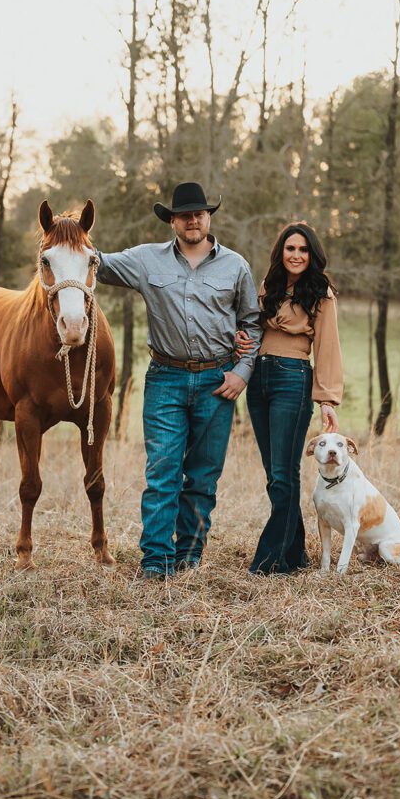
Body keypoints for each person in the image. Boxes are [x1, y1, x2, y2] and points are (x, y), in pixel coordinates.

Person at [96, 182, 261, 580]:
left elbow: (252, 324)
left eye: (200, 213)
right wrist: (65, 232)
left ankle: (189, 556)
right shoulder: (145, 260)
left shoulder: (235, 265)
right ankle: (156, 560)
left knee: (203, 476)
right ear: (172, 220)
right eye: (185, 214)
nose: (193, 219)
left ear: (209, 218)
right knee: (162, 471)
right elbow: (94, 262)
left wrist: (242, 373)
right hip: (166, 378)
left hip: (217, 381)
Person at [235, 222, 343, 575]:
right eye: (290, 248)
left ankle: (269, 561)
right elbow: (252, 328)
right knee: (275, 475)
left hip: (292, 378)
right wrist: (240, 341)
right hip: (259, 379)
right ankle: (295, 553)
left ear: (311, 255)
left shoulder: (320, 292)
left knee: (284, 474)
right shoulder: (270, 286)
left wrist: (327, 399)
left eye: (303, 250)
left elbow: (328, 347)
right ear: (281, 252)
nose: (296, 255)